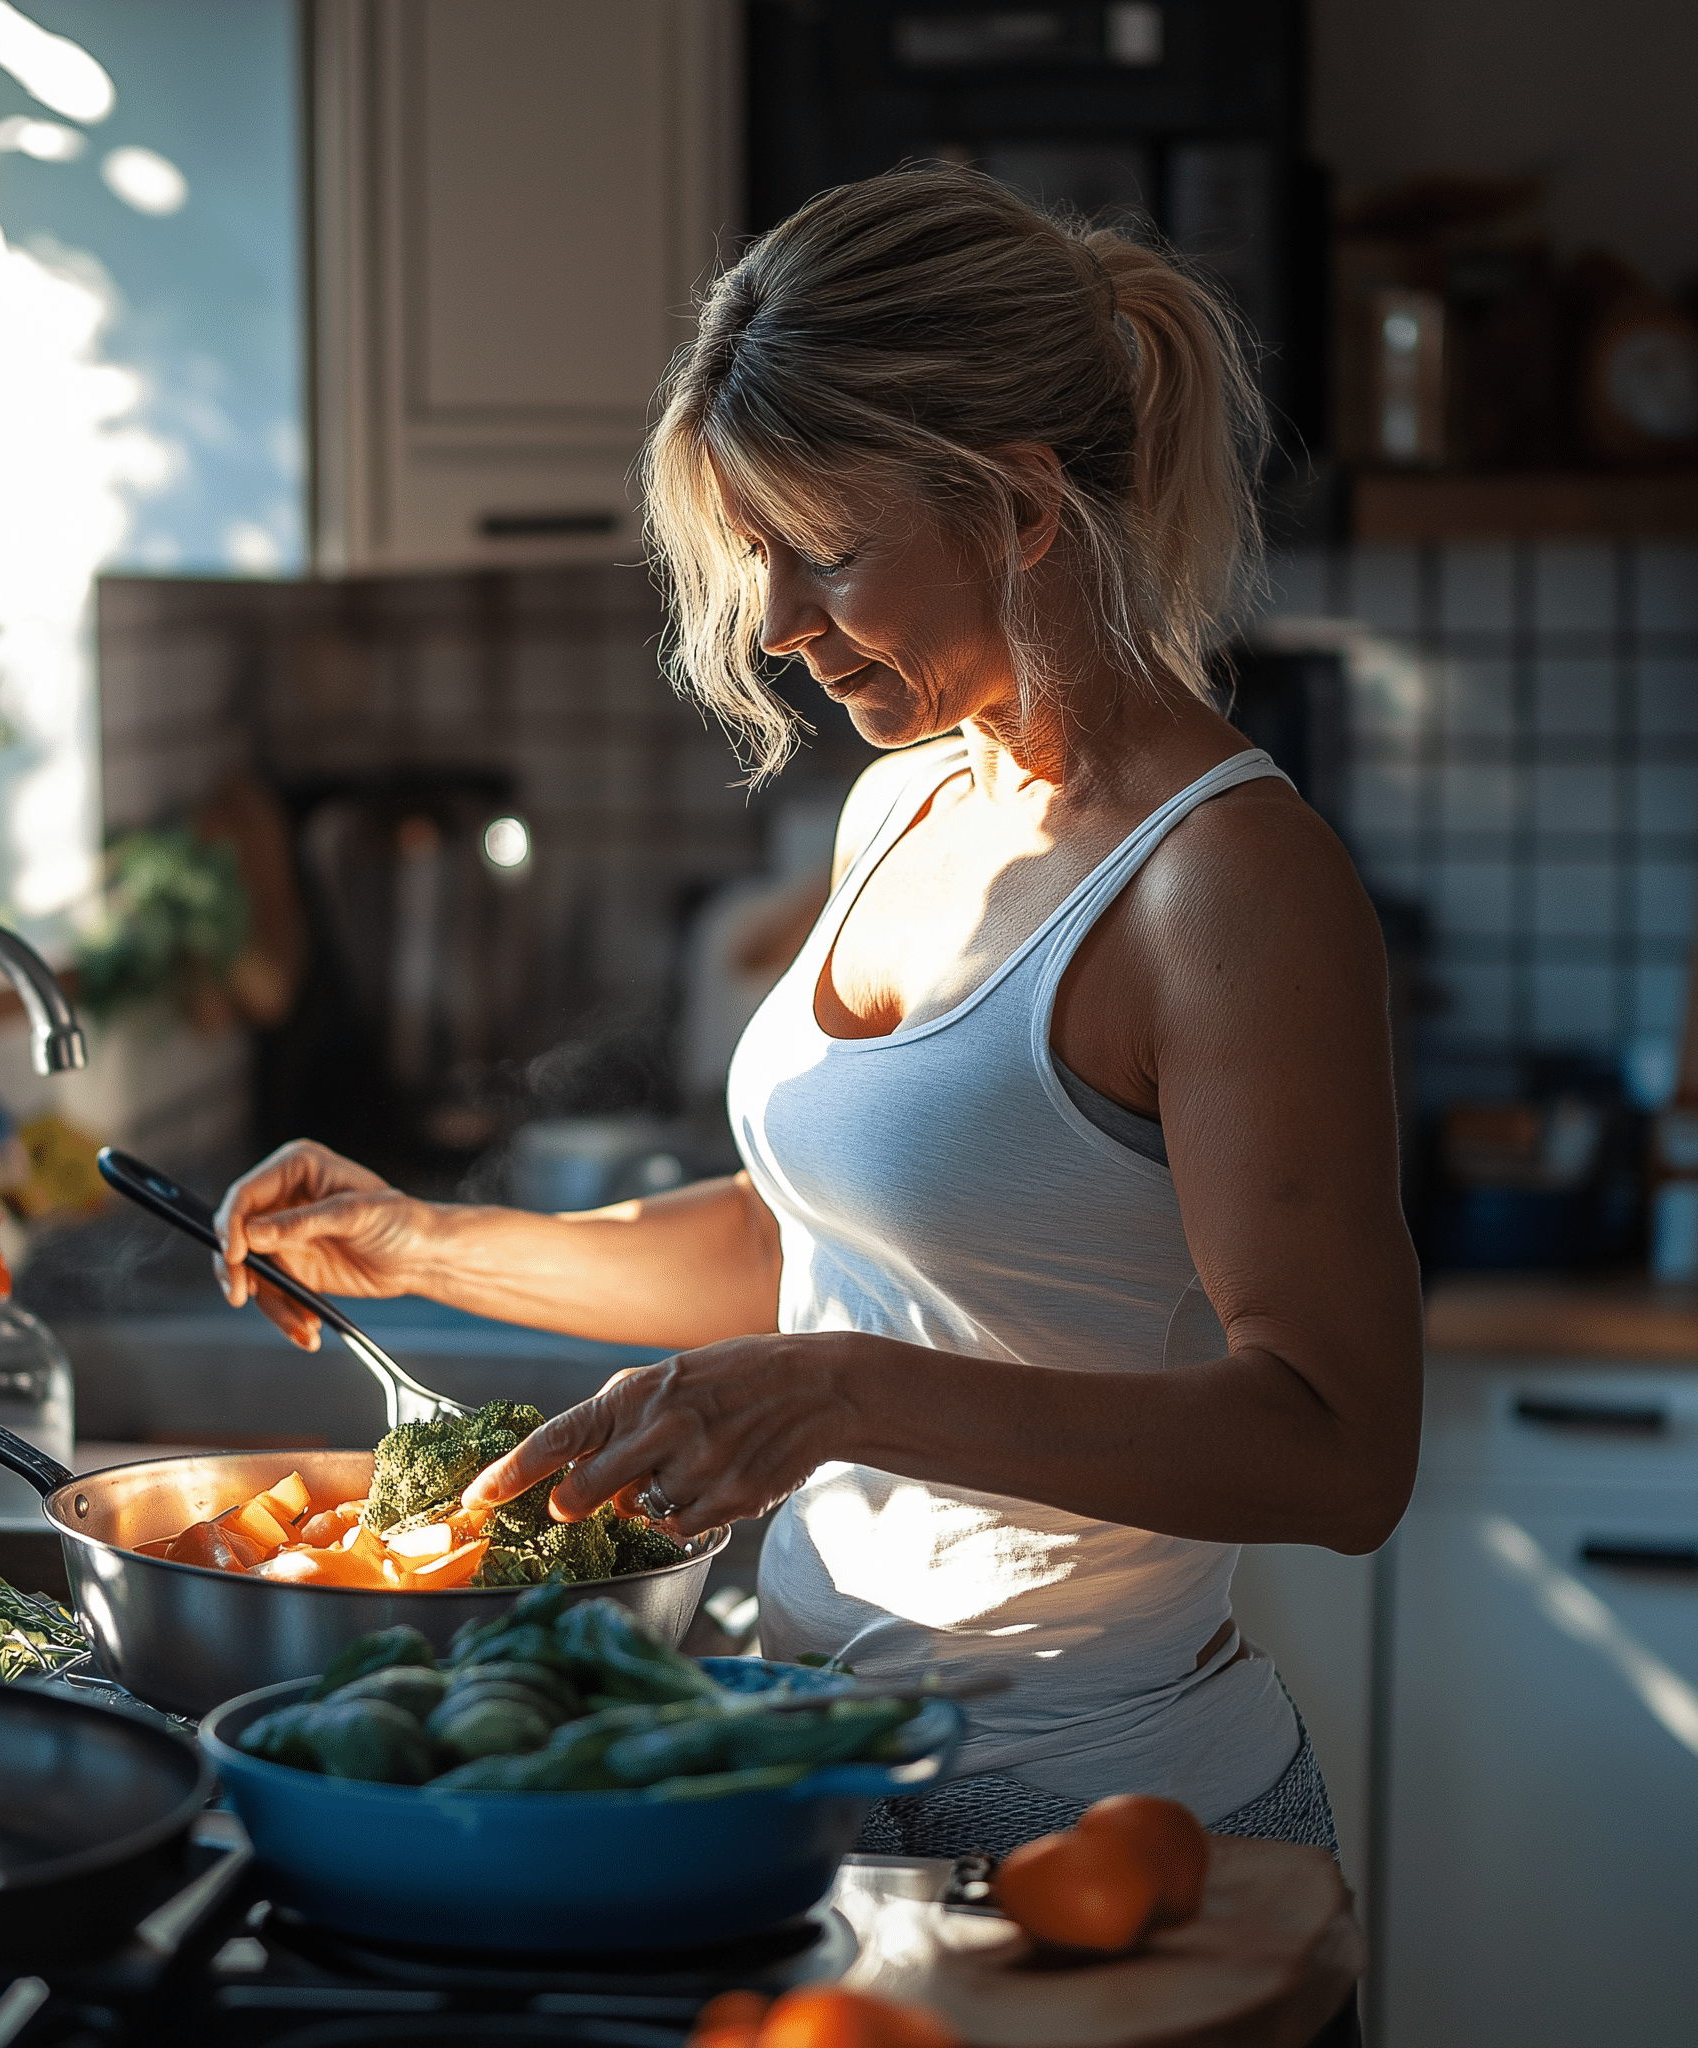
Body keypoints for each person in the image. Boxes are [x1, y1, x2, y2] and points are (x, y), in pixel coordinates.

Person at [213, 164, 1422, 1859]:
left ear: (1019, 505)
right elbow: (831, 1253)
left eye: (827, 554)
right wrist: (424, 1244)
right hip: (818, 1767)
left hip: (1107, 1823)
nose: (777, 627)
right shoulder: (906, 802)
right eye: (755, 554)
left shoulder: (1224, 885)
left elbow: (1341, 1451)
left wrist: (844, 1395)